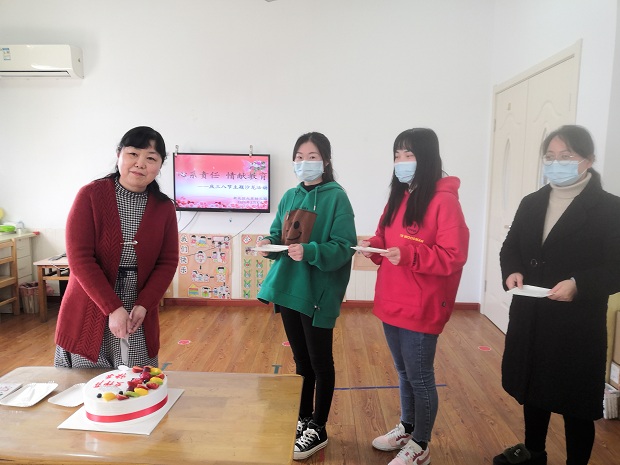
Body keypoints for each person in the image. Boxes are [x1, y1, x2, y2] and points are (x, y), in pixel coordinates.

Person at [493, 125, 620, 465]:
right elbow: (510, 247)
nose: (556, 163)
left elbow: (616, 267)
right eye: (550, 157)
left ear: (588, 160)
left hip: (576, 324)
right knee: (534, 390)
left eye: (566, 156)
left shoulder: (610, 208)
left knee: (576, 403)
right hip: (531, 315)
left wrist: (580, 283)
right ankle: (533, 453)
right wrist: (512, 270)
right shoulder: (532, 202)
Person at [360, 128, 469, 465]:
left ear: (427, 158)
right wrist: (373, 247)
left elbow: (453, 256)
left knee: (420, 377)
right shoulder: (398, 196)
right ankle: (407, 428)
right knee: (404, 372)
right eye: (397, 155)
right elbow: (384, 237)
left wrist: (409, 255)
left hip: (422, 305)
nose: (402, 162)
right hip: (391, 299)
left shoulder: (444, 201)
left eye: (409, 155)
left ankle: (421, 444)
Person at [257, 132, 356, 460]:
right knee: (301, 362)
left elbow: (344, 246)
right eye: (299, 157)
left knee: (320, 362)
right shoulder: (290, 196)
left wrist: (310, 251)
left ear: (325, 161)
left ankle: (319, 427)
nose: (304, 163)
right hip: (288, 290)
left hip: (318, 294)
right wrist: (267, 245)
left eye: (312, 157)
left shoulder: (337, 198)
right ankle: (302, 418)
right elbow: (278, 234)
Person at [54, 126, 179, 369]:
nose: (140, 163)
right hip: (92, 297)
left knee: (137, 379)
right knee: (86, 382)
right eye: (133, 154)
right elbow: (80, 259)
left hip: (138, 305)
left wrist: (145, 304)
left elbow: (167, 262)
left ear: (160, 165)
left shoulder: (164, 207)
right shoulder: (90, 195)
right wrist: (112, 308)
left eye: (151, 158)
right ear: (119, 154)